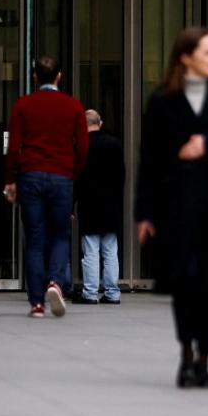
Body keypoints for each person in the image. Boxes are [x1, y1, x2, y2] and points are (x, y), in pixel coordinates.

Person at [137, 28, 208, 389]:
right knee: (184, 284)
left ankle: (205, 358)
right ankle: (186, 353)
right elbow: (149, 160)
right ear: (186, 57)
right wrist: (144, 213)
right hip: (176, 206)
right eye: (207, 52)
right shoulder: (163, 99)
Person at [6, 56, 90, 318]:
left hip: (30, 175)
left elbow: (14, 147)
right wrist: (72, 173)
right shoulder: (73, 106)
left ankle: (36, 303)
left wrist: (10, 180)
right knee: (60, 235)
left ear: (34, 77)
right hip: (61, 176)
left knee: (34, 240)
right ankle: (55, 281)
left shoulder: (23, 105)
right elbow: (83, 147)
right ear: (59, 77)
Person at [76, 110, 126, 305]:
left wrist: (71, 203)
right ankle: (112, 293)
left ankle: (90, 293)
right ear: (101, 123)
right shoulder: (115, 144)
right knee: (111, 251)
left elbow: (77, 178)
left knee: (90, 251)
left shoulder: (82, 145)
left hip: (89, 204)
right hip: (111, 205)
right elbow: (121, 176)